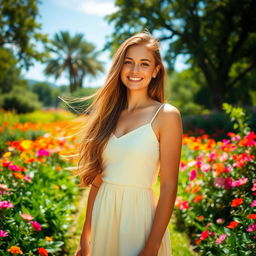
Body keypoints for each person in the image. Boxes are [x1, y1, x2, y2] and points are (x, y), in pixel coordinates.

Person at [74, 30, 183, 256]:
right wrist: (84, 238)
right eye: (128, 62)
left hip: (138, 220)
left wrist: (152, 247)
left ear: (156, 71)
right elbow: (97, 181)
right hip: (104, 217)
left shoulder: (166, 115)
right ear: (119, 67)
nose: (135, 70)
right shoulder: (108, 115)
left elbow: (169, 186)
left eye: (144, 64)